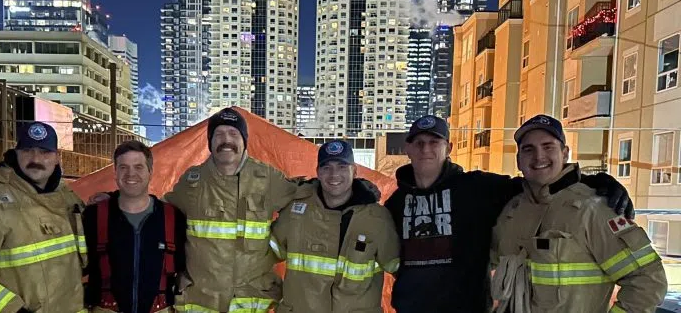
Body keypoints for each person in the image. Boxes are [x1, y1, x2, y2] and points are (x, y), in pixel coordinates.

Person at [384, 114, 635, 313]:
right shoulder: (396, 203)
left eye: (434, 142)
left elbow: (539, 182)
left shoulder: (478, 188)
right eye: (419, 143)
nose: (425, 149)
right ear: (408, 148)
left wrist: (594, 182)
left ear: (448, 147)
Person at [490, 114, 667, 312]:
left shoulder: (593, 209)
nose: (539, 156)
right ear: (518, 160)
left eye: (548, 147)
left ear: (565, 153)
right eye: (528, 149)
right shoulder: (511, 212)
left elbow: (648, 282)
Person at [163, 107, 302, 313]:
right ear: (210, 141)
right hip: (201, 301)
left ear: (244, 141)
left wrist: (275, 247)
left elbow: (305, 203)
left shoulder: (267, 178)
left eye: (233, 133)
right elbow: (161, 215)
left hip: (250, 303)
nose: (226, 139)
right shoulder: (193, 182)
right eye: (218, 134)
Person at [0, 121, 87, 313]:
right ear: (16, 154)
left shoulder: (69, 199)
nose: (35, 159)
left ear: (57, 158)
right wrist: (14, 310)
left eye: (44, 152)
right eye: (28, 150)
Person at [269, 139, 399, 313]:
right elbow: (263, 256)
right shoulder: (295, 212)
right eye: (326, 167)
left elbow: (400, 270)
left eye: (342, 167)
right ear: (317, 172)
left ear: (355, 171)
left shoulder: (377, 219)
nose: (334, 174)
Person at [83, 140, 186, 313]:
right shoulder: (93, 217)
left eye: (138, 167)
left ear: (150, 172)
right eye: (123, 167)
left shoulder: (173, 218)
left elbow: (187, 271)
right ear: (115, 173)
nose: (131, 174)